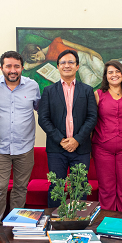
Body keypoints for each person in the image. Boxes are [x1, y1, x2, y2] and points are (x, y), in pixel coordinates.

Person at [0, 51, 41, 229]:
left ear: (22, 67)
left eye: (16, 66)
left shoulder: (32, 86)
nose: (12, 70)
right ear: (1, 67)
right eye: (8, 66)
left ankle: (14, 225)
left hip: (25, 148)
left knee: (20, 188)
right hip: (0, 148)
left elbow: (42, 110)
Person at [38, 49, 98, 207]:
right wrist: (61, 140)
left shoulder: (87, 90)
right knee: (56, 187)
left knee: (79, 188)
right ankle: (56, 224)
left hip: (81, 149)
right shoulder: (49, 91)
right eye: (63, 62)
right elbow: (43, 119)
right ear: (57, 66)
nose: (67, 65)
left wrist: (77, 140)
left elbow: (92, 117)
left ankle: (78, 224)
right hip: (56, 149)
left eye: (71, 62)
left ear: (77, 66)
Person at [91, 60, 122, 217]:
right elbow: (92, 123)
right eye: (110, 72)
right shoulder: (98, 95)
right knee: (106, 188)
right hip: (102, 149)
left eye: (117, 71)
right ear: (106, 76)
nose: (114, 75)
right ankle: (107, 225)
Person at [21, 37, 122, 87]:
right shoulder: (46, 57)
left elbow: (75, 45)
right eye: (35, 59)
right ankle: (116, 63)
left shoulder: (56, 42)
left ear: (38, 48)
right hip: (79, 66)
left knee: (105, 74)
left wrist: (90, 52)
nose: (38, 59)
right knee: (89, 85)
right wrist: (31, 60)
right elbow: (26, 66)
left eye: (36, 55)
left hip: (84, 56)